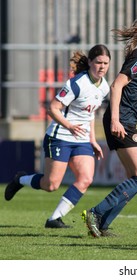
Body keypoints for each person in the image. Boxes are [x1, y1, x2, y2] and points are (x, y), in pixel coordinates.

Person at [81, 12, 137, 238]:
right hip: (121, 121)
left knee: (136, 178)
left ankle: (101, 225)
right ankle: (96, 212)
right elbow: (116, 86)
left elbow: (134, 97)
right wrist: (115, 120)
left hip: (125, 119)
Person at [4, 44, 111, 228]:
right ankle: (20, 179)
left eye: (106, 63)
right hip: (60, 136)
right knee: (51, 185)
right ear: (90, 62)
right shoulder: (76, 84)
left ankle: (54, 219)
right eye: (98, 62)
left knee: (86, 179)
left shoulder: (104, 87)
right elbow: (52, 108)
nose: (102, 67)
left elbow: (90, 113)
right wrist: (69, 126)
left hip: (82, 139)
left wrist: (93, 140)